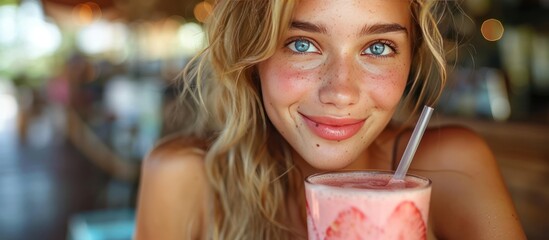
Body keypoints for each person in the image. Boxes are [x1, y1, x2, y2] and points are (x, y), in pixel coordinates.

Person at [134, 0, 527, 239]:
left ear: (411, 60)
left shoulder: (450, 167)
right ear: (253, 58)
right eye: (302, 44)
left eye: (377, 47)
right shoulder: (184, 179)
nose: (340, 91)